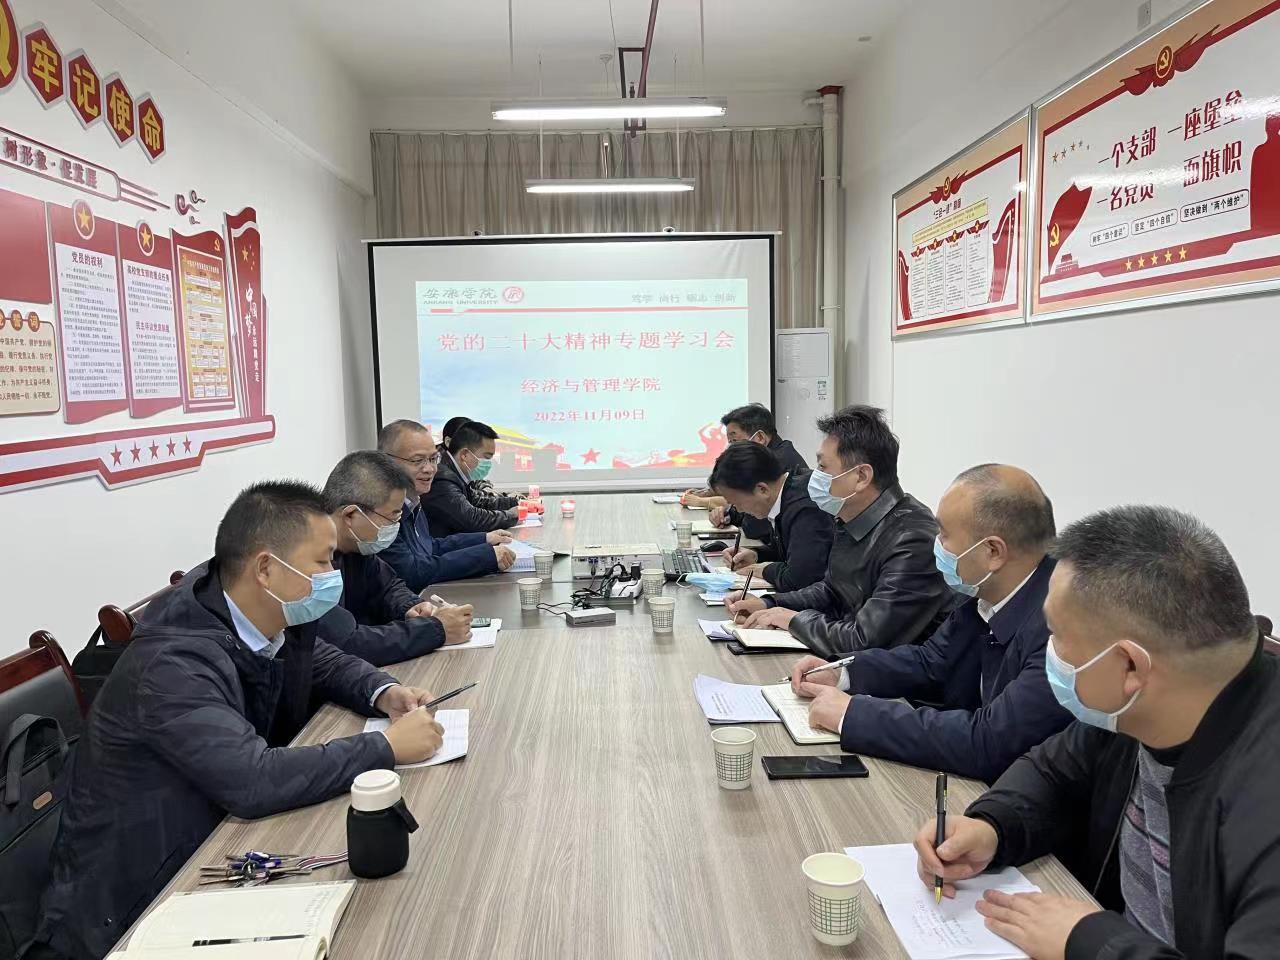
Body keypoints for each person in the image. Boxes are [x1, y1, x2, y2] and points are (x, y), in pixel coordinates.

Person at [30, 481, 445, 960]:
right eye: (323, 561)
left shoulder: (260, 610)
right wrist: (386, 747)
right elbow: (252, 780)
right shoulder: (171, 664)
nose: (333, 575)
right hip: (130, 909)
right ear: (266, 569)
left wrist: (384, 691)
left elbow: (321, 660)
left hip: (210, 847)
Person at [913, 506, 1280, 960]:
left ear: (1130, 666)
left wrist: (1090, 941)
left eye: (1056, 635)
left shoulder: (1262, 789)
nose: (1049, 652)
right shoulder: (1141, 710)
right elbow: (1052, 772)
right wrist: (992, 826)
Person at [788, 464, 1070, 782]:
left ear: (993, 551)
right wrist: (843, 672)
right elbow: (930, 662)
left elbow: (990, 742)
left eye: (945, 534)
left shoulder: (1063, 629)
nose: (936, 543)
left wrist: (854, 716)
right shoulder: (985, 591)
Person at [727, 405, 951, 658]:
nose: (815, 476)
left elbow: (865, 639)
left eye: (823, 467)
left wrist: (793, 620)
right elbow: (832, 590)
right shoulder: (852, 519)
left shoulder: (911, 538)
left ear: (861, 476)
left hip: (888, 676)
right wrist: (770, 603)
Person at [317, 451, 474, 666]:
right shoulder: (307, 561)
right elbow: (347, 642)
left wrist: (411, 606)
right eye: (392, 517)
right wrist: (436, 629)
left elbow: (387, 586)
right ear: (351, 515)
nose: (395, 526)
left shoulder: (356, 545)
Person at [377, 419, 516, 590]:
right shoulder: (381, 511)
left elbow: (430, 547)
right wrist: (486, 555)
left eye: (433, 459)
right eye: (418, 460)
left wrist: (485, 538)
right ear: (387, 462)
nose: (430, 469)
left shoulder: (413, 501)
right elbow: (413, 572)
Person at [707, 441, 833, 592]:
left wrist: (764, 570)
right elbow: (791, 552)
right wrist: (756, 555)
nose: (738, 510)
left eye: (737, 502)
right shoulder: (787, 493)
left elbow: (800, 579)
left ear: (762, 490)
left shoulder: (805, 506)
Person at [423, 419, 519, 536]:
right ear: (464, 455)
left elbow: (477, 502)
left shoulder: (458, 473)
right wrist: (511, 515)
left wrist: (515, 502)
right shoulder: (443, 478)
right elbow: (471, 519)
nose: (488, 462)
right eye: (486, 457)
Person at [441, 415, 519, 511]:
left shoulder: (463, 470)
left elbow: (476, 493)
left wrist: (514, 501)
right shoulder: (443, 474)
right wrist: (512, 513)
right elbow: (470, 514)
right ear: (448, 442)